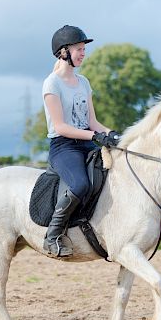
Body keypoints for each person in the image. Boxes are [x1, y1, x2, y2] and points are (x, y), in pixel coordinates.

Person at [42, 25, 120, 257]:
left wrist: (112, 134)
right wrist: (94, 136)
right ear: (63, 51)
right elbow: (61, 126)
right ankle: (53, 235)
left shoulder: (83, 82)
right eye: (79, 49)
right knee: (80, 185)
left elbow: (92, 121)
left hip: (86, 141)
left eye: (84, 49)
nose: (83, 53)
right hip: (63, 146)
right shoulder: (52, 84)